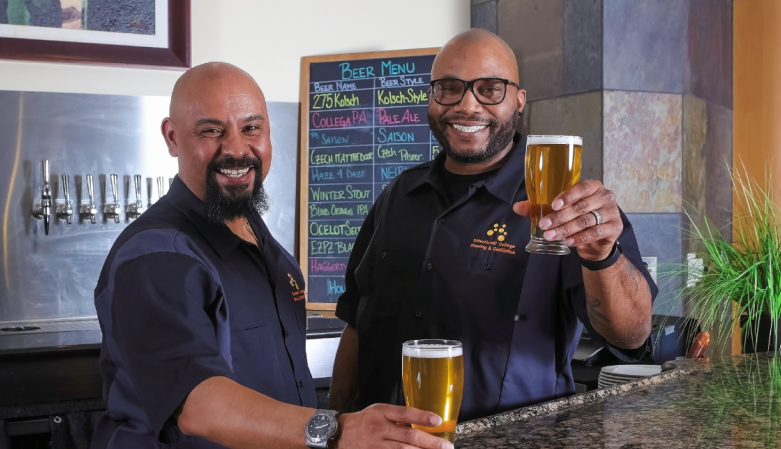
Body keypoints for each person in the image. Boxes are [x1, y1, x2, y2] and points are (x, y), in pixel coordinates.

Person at [92, 62, 453, 449]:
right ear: (172, 136)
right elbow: (199, 406)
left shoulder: (260, 240)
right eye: (212, 130)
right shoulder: (157, 256)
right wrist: (338, 430)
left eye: (251, 128)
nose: (235, 149)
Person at [329, 29, 656, 421]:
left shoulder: (570, 208)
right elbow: (357, 319)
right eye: (448, 88)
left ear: (519, 101)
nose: (467, 105)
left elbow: (632, 335)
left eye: (490, 88)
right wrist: (338, 420)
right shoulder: (398, 194)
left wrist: (602, 255)